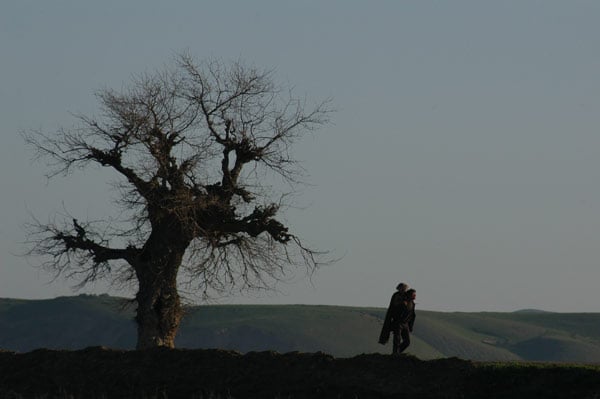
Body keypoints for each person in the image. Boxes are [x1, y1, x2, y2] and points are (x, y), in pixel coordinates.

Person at [379, 285, 417, 356]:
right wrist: (402, 305)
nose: (415, 296)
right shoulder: (399, 299)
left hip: (405, 324)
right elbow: (394, 308)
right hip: (398, 323)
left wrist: (410, 326)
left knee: (407, 342)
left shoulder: (412, 303)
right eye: (414, 294)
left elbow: (412, 315)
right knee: (397, 339)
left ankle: (397, 352)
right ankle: (395, 353)